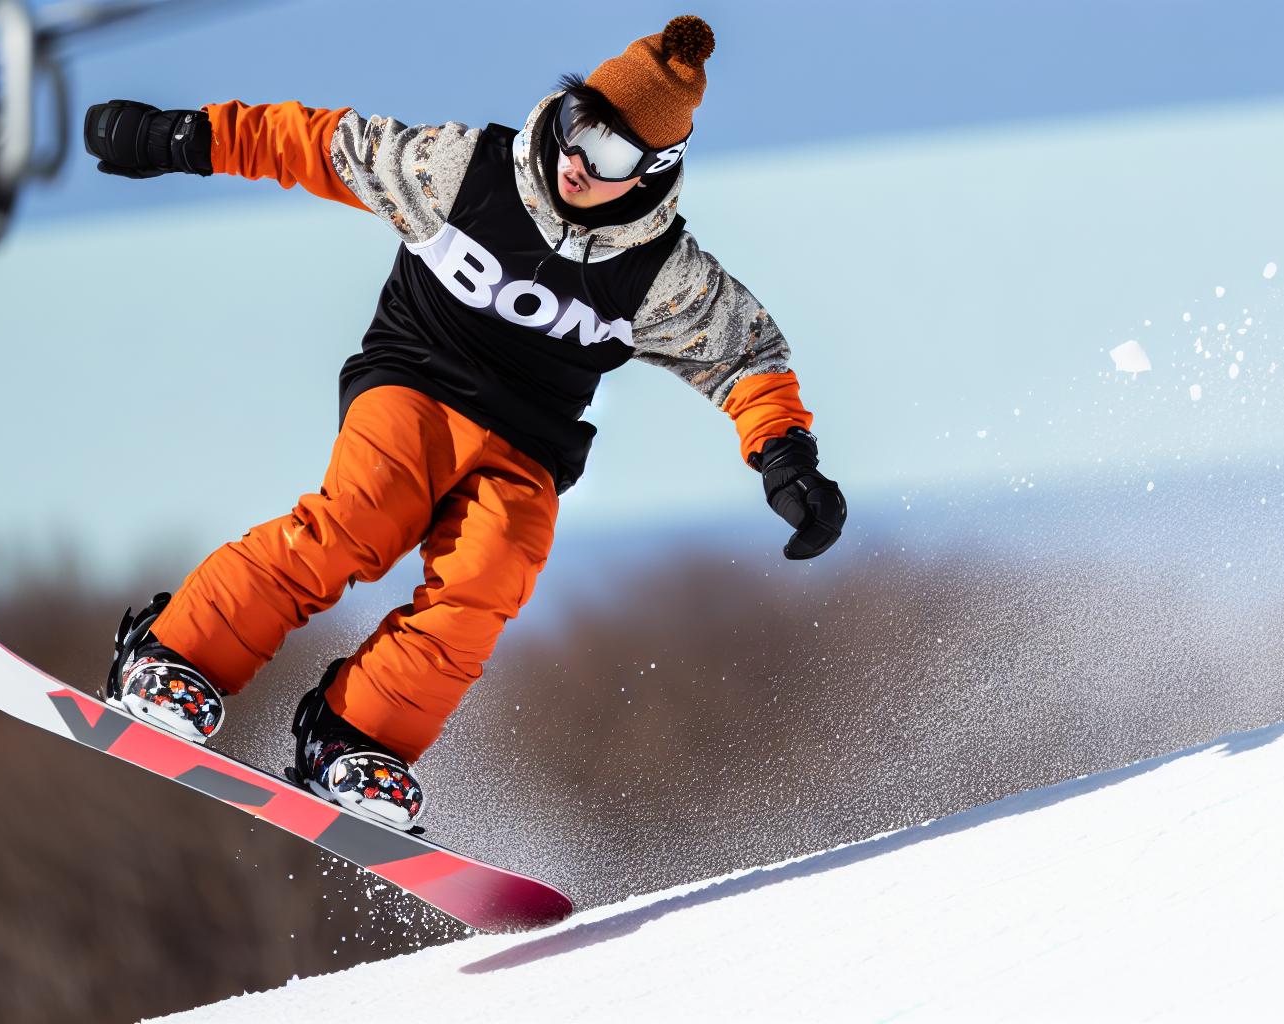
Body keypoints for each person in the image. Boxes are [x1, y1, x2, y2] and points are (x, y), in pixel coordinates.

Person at [83, 16, 845, 832]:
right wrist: (181, 138)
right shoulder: (461, 171)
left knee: (487, 582)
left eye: (615, 156)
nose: (581, 163)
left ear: (655, 171)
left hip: (528, 445)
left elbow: (745, 355)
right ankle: (176, 654)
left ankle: (353, 738)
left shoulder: (661, 274)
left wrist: (785, 458)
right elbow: (322, 145)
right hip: (415, 382)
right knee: (359, 521)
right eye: (577, 127)